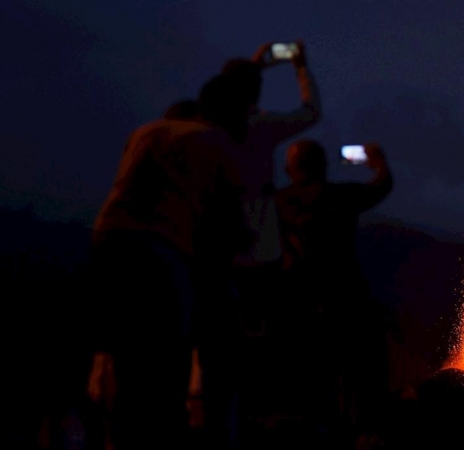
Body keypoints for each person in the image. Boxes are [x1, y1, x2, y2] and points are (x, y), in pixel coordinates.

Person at [85, 73, 253, 450]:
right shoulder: (213, 141)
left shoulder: (146, 132)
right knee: (167, 359)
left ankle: (120, 437)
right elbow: (230, 222)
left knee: (124, 353)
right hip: (161, 248)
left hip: (109, 240)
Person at [195, 40, 322, 448]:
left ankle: (217, 422)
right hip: (258, 248)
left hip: (213, 246)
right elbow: (310, 111)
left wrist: (251, 70)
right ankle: (257, 419)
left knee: (217, 340)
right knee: (260, 337)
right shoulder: (262, 126)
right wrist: (299, 67)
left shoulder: (203, 129)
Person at [272, 139, 393, 446]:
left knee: (308, 365)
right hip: (344, 293)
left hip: (295, 296)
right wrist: (378, 162)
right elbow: (381, 185)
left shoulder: (278, 202)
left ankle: (315, 428)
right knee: (353, 362)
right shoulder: (341, 196)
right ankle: (357, 429)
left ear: (289, 169)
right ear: (324, 166)